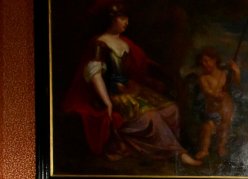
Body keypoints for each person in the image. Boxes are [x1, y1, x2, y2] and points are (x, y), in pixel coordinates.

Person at [63, 2, 199, 167]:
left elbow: (141, 65)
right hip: (113, 95)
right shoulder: (100, 43)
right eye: (122, 18)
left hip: (131, 90)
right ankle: (178, 153)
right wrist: (107, 101)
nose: (126, 22)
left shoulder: (126, 43)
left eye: (126, 18)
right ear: (111, 20)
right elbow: (95, 75)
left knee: (172, 109)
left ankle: (162, 153)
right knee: (151, 117)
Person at [188, 47, 239, 163]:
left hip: (226, 106)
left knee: (224, 126)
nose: (204, 64)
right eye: (202, 62)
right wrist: (215, 95)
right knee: (208, 127)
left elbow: (236, 84)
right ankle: (204, 149)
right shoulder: (203, 78)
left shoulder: (225, 73)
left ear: (214, 60)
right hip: (212, 108)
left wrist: (236, 71)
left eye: (206, 60)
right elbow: (207, 91)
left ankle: (221, 147)